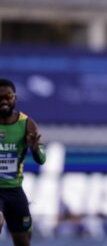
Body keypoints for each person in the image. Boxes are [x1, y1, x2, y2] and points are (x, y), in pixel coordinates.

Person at [0, 78, 46, 246]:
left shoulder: (26, 124)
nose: (4, 101)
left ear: (15, 98)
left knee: (23, 241)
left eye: (8, 97)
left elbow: (42, 159)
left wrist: (34, 149)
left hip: (14, 191)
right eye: (0, 98)